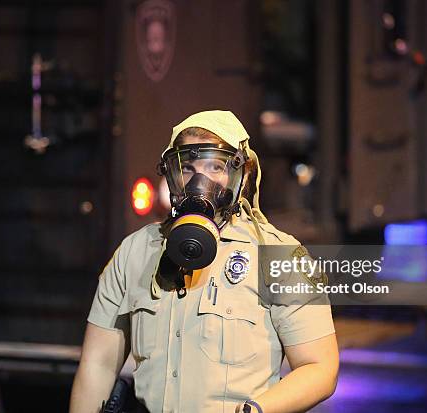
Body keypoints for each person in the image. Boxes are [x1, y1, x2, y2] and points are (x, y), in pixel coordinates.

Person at [69, 110, 338, 413]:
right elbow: (98, 366)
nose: (199, 181)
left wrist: (256, 411)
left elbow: (319, 368)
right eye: (188, 168)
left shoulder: (280, 255)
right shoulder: (135, 252)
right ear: (171, 174)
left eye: (215, 166)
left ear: (243, 174)